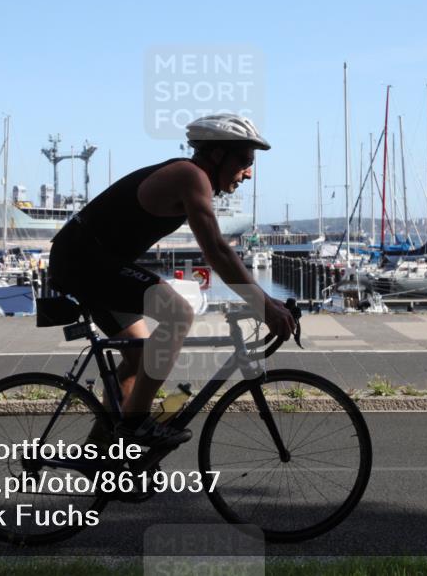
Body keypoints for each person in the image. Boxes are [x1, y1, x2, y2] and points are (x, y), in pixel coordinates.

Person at [47, 113, 296, 449]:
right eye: (244, 161)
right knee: (177, 311)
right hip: (83, 262)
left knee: (139, 358)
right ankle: (136, 423)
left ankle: (101, 448)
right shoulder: (190, 176)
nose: (249, 172)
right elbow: (218, 252)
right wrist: (263, 306)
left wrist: (268, 302)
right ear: (218, 155)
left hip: (89, 262)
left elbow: (219, 254)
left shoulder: (191, 176)